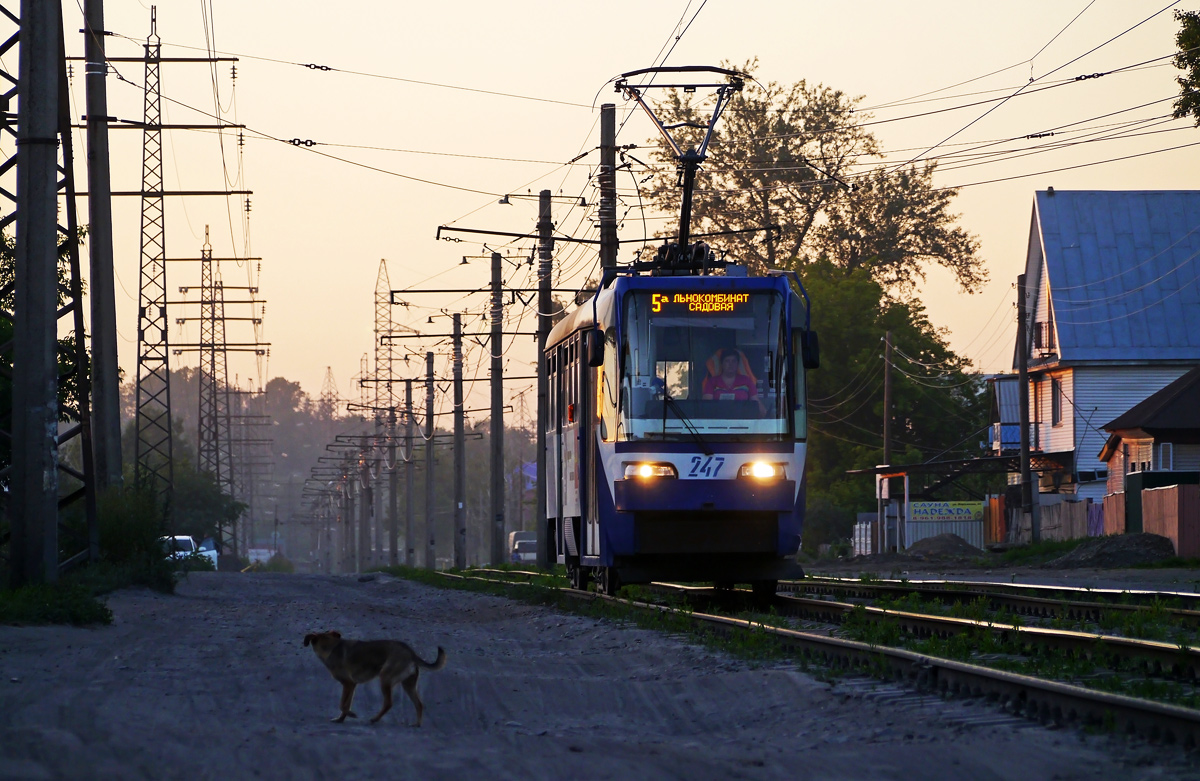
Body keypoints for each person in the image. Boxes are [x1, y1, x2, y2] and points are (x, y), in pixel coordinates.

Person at [702, 348, 766, 414]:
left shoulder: (746, 381)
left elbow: (756, 403)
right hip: (718, 422)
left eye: (734, 361)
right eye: (727, 361)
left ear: (737, 364)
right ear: (722, 364)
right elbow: (706, 406)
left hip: (742, 422)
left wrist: (765, 414)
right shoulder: (712, 382)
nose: (730, 364)